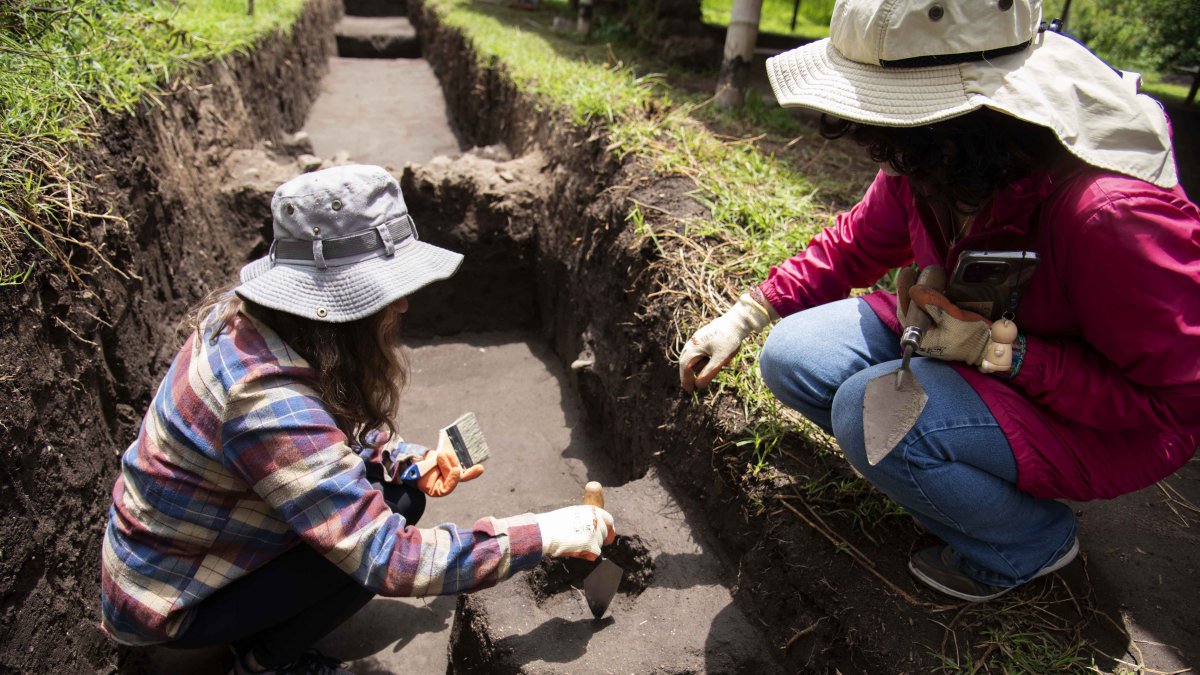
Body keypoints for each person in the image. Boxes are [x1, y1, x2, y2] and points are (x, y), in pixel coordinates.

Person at [679, 0, 1200, 602]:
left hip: (1092, 417)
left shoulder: (1108, 214)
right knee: (795, 354)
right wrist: (747, 316)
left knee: (863, 409)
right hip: (966, 343)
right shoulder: (932, 160)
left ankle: (1028, 542)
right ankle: (952, 479)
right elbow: (854, 243)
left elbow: (1177, 405)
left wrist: (1009, 356)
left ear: (960, 119)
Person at [100, 164, 616, 674]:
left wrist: (407, 459)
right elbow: (388, 558)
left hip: (201, 544)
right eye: (388, 292)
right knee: (371, 538)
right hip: (172, 598)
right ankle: (265, 665)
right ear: (338, 301)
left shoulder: (257, 325)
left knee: (402, 495)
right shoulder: (263, 400)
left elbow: (326, 434)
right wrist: (542, 535)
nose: (405, 303)